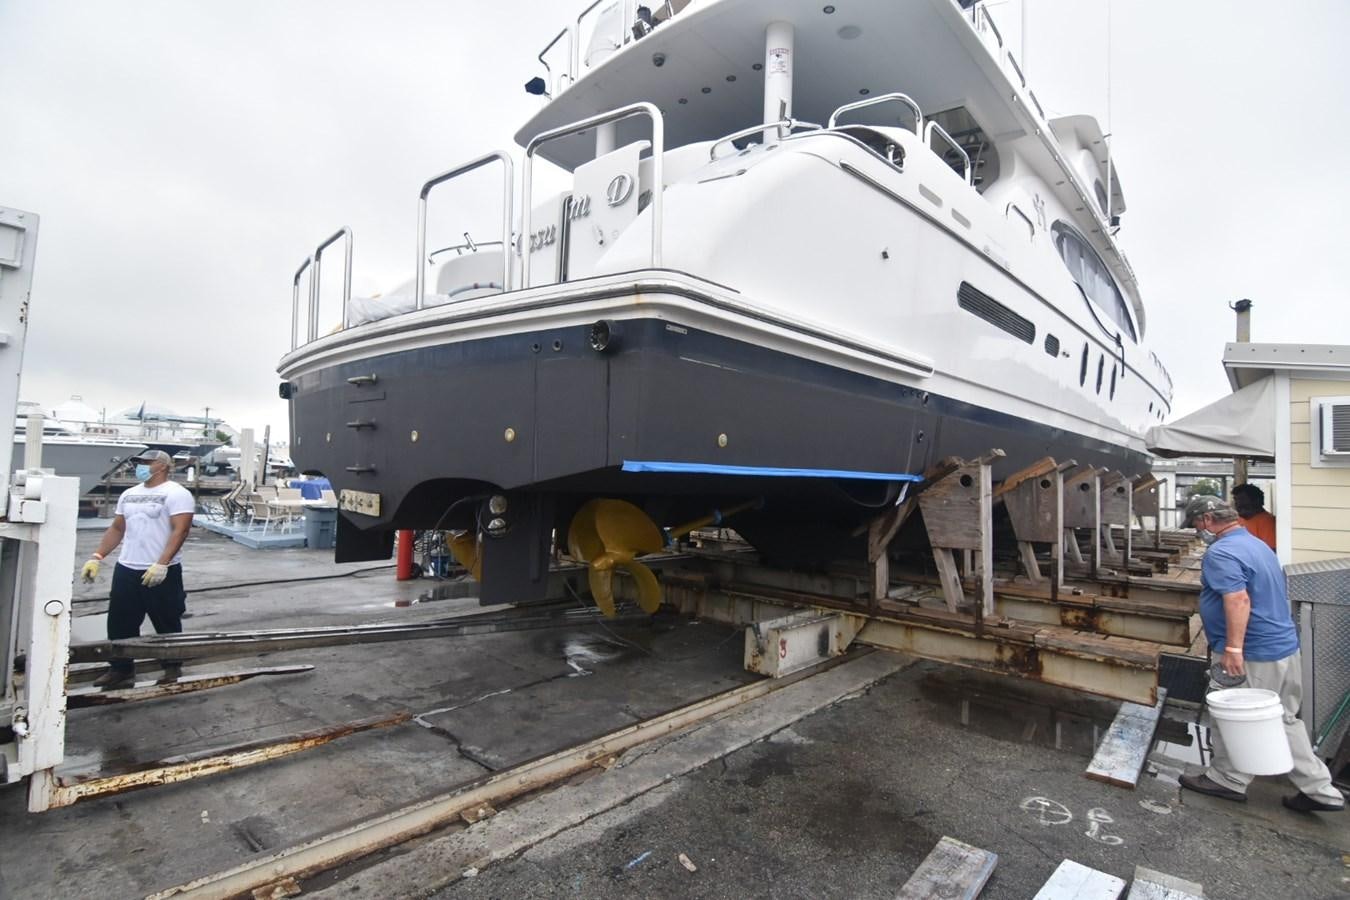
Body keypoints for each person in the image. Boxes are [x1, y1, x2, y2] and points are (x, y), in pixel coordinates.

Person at [1177, 494, 1344, 813]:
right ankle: (1320, 788)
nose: (1198, 529)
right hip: (1282, 648)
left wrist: (1233, 649)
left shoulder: (1222, 552)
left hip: (1251, 652)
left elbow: (1237, 599)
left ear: (1209, 520)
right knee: (1284, 718)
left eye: (1198, 523)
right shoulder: (1257, 545)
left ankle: (1227, 778)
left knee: (1231, 713)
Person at [81, 449, 195, 688]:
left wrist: (162, 563)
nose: (140, 466)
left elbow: (180, 530)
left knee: (166, 622)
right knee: (120, 623)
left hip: (161, 570)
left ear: (162, 466)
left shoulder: (177, 494)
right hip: (127, 567)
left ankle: (171, 667)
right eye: (139, 462)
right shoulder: (129, 494)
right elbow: (117, 529)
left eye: (146, 462)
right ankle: (121, 670)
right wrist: (97, 556)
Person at [1232, 483, 1276, 551]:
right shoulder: (1237, 521)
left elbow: (1270, 551)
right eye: (1236, 500)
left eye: (1242, 499)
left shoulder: (1268, 522)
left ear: (1257, 501)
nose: (1238, 503)